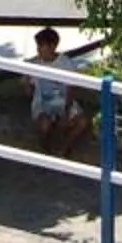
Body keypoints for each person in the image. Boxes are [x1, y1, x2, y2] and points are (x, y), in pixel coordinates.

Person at [28, 26, 92, 157]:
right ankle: (45, 149)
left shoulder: (65, 63)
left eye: (42, 46)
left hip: (63, 101)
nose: (38, 49)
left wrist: (65, 112)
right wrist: (26, 84)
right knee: (44, 125)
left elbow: (71, 89)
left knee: (82, 122)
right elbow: (30, 92)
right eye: (38, 46)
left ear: (52, 46)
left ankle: (65, 148)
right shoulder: (34, 64)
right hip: (43, 103)